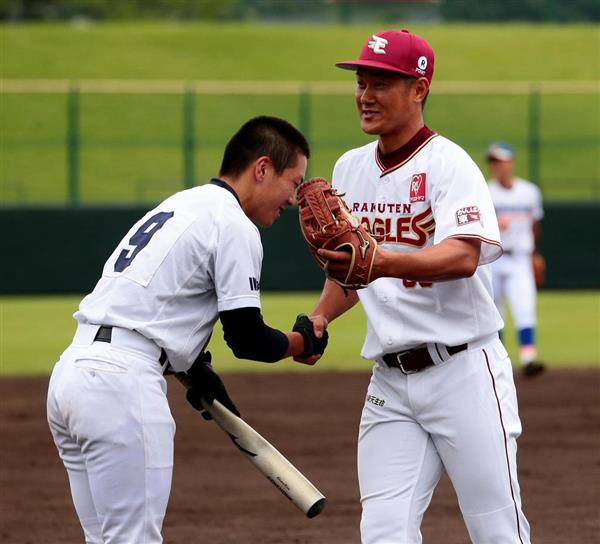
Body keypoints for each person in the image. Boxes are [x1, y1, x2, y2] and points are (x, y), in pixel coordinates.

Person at [46, 116, 327, 543]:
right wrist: (302, 341)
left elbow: (153, 303)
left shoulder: (180, 204)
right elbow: (248, 339)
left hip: (72, 375)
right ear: (262, 168)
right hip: (122, 386)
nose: (294, 198)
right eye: (294, 181)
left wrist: (194, 369)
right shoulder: (233, 224)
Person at [302, 30, 531, 543]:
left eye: (380, 83)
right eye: (361, 82)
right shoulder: (349, 168)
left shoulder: (449, 164)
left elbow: (465, 254)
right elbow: (352, 272)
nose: (365, 95)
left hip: (464, 371)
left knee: (496, 529)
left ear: (419, 89)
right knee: (383, 531)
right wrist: (319, 316)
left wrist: (381, 260)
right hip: (389, 381)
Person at [486, 142, 546, 377]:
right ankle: (497, 359)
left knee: (525, 307)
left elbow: (534, 225)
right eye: (493, 162)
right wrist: (492, 223)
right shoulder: (486, 191)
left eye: (500, 161)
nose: (496, 166)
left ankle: (528, 358)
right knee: (494, 311)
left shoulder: (529, 191)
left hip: (520, 258)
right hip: (494, 258)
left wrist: (535, 254)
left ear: (511, 162)